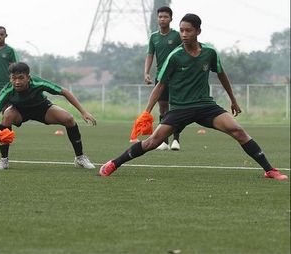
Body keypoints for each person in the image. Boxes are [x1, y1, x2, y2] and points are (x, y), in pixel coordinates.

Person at [99, 13, 288, 181]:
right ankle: (114, 163)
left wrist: (233, 99)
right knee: (152, 142)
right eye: (181, 30)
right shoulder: (175, 56)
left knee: (238, 131)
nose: (183, 34)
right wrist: (146, 112)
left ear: (198, 31)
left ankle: (269, 170)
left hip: (206, 106)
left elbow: (221, 74)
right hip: (180, 108)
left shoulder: (209, 52)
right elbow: (160, 85)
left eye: (188, 30)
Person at [0, 62, 96, 170]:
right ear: (10, 78)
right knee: (7, 116)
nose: (17, 82)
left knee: (68, 119)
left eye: (21, 78)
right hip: (19, 111)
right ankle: (4, 160)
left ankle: (80, 158)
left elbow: (64, 92)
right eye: (13, 78)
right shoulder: (7, 90)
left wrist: (83, 112)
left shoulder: (38, 83)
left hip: (41, 108)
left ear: (28, 77)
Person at [144, 6, 183, 151]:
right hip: (161, 77)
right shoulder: (154, 37)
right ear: (157, 18)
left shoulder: (177, 35)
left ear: (171, 19)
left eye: (165, 17)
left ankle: (176, 140)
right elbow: (150, 55)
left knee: (176, 107)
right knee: (162, 108)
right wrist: (146, 72)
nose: (162, 19)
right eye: (160, 17)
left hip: (177, 77)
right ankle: (164, 141)